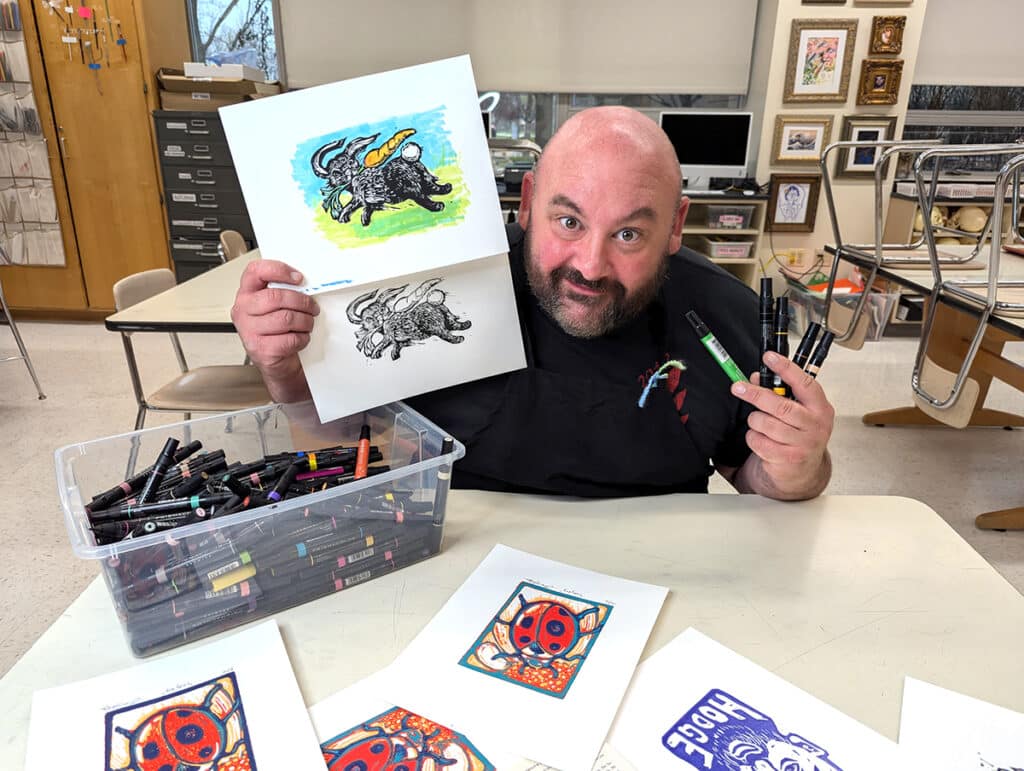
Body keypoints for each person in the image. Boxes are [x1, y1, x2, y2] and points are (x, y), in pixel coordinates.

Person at [231, 107, 834, 500]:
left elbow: (751, 480)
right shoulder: (434, 281)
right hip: (460, 557)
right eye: (568, 221)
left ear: (675, 227)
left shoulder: (721, 318)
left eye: (629, 234)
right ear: (526, 203)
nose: (591, 266)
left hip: (659, 572)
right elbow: (328, 434)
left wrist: (798, 467)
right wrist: (283, 366)